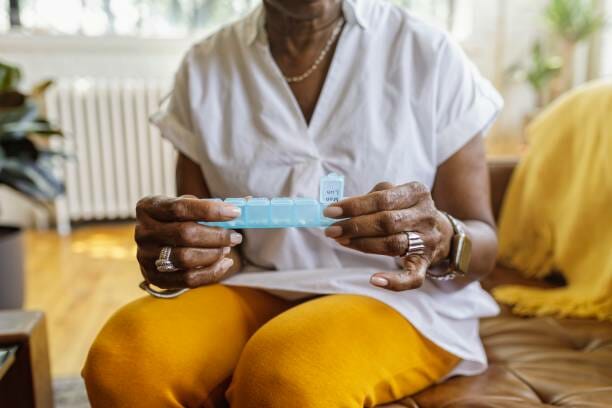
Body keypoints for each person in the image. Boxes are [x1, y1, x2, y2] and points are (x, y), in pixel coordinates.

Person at [82, 0, 503, 406]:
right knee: (124, 361)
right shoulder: (205, 66)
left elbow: (483, 242)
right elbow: (218, 250)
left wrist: (443, 237)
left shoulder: (426, 52)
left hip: (399, 298)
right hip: (257, 285)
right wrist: (183, 253)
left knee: (287, 374)